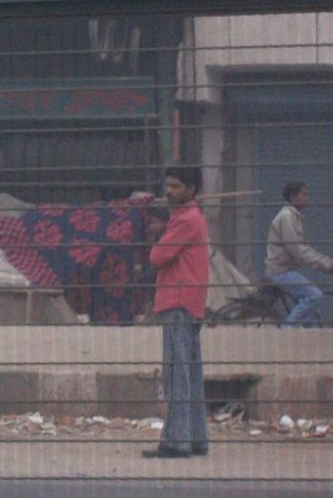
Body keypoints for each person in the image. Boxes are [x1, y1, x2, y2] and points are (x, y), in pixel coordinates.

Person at [143, 166, 210, 459]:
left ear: (191, 189)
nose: (169, 191)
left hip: (177, 301)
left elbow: (158, 256)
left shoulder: (184, 220)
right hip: (190, 302)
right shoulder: (192, 218)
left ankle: (175, 441)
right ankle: (196, 439)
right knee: (191, 373)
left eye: (176, 186)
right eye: (167, 185)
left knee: (177, 375)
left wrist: (160, 235)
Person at [265, 181, 333, 327]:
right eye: (304, 195)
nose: (307, 198)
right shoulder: (287, 217)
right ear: (293, 197)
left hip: (286, 270)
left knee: (313, 313)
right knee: (314, 296)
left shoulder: (293, 216)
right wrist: (326, 265)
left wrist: (327, 262)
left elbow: (304, 248)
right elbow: (299, 251)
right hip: (280, 272)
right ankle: (287, 330)